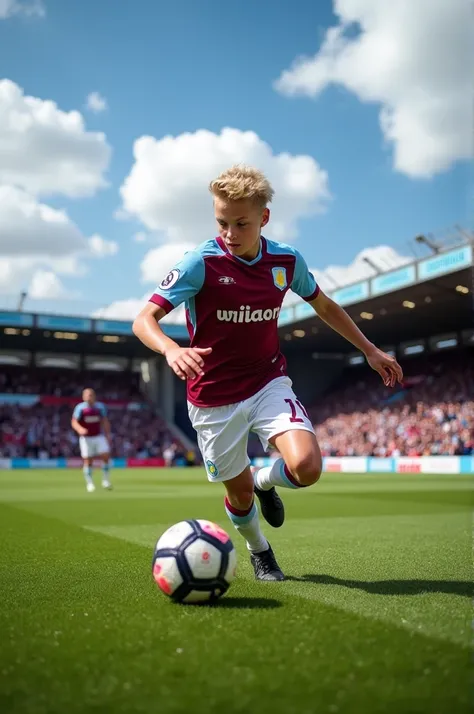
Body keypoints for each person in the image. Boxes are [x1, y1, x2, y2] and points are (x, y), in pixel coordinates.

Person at [133, 165, 403, 580]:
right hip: (212, 397)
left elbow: (324, 305)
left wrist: (369, 350)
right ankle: (260, 549)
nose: (229, 232)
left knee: (308, 468)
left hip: (266, 382)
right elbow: (144, 320)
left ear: (264, 218)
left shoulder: (286, 260)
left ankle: (264, 480)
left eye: (240, 223)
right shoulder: (198, 263)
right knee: (238, 498)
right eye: (222, 222)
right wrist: (170, 348)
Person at [71, 388, 112, 492]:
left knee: (105, 455)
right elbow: (74, 421)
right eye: (87, 395)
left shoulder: (100, 407)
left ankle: (105, 480)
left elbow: (105, 421)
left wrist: (107, 435)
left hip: (98, 436)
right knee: (88, 460)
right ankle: (89, 483)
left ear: (94, 396)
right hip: (86, 438)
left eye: (91, 395)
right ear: (83, 397)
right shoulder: (80, 408)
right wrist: (80, 429)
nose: (89, 397)